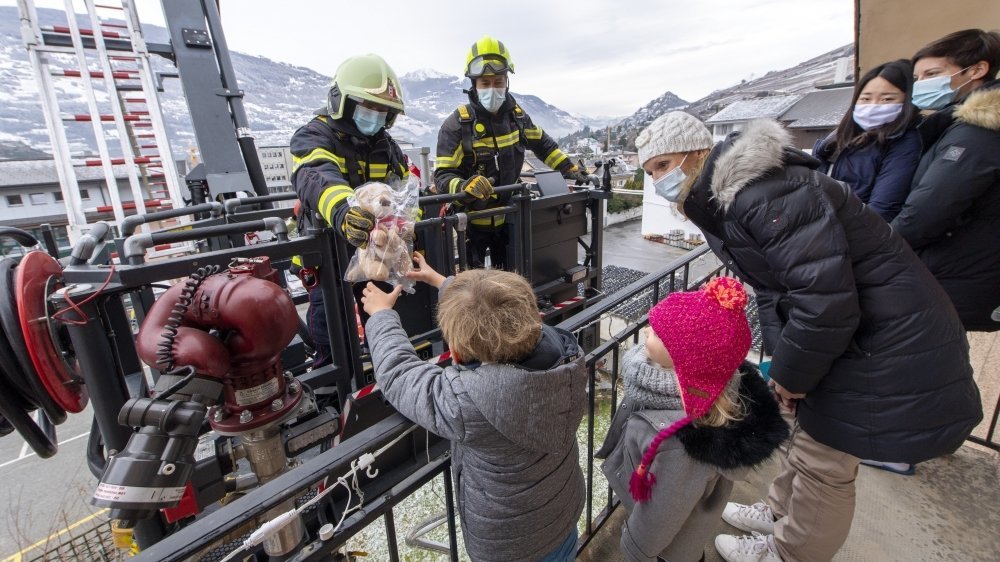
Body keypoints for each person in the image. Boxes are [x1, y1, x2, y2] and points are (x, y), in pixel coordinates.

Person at [634, 111, 981, 562]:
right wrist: (783, 365)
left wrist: (793, 374)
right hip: (857, 332)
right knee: (806, 437)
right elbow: (776, 287)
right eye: (649, 172)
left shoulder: (762, 194)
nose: (659, 178)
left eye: (662, 165)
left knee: (826, 465)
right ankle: (779, 512)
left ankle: (790, 551)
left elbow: (824, 299)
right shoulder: (738, 194)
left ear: (696, 152)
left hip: (878, 341)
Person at [359, 253, 587, 562]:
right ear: (536, 318)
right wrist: (442, 282)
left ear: (455, 351)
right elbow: (497, 308)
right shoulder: (565, 359)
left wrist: (382, 315)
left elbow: (400, 375)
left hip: (509, 546)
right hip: (561, 514)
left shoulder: (468, 402)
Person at [596, 277, 788, 562]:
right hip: (684, 528)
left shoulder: (682, 444)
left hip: (668, 548)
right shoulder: (693, 390)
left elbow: (662, 514)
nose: (648, 329)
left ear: (685, 359)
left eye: (659, 333)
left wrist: (636, 548)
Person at [290, 53, 410, 367]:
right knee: (329, 318)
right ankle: (333, 374)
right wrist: (345, 212)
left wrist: (407, 226)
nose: (376, 116)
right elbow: (317, 177)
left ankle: (385, 367)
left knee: (380, 310)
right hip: (327, 250)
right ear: (341, 102)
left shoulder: (386, 145)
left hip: (373, 253)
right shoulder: (313, 136)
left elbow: (406, 189)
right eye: (369, 107)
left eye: (383, 111)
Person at [433, 35, 590, 270]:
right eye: (485, 83)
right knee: (473, 286)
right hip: (472, 222)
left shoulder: (516, 116)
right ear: (474, 84)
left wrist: (570, 168)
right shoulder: (457, 125)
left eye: (498, 82)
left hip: (510, 217)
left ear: (507, 82)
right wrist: (465, 186)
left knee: (510, 280)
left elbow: (542, 144)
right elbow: (442, 176)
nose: (492, 89)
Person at [890, 29, 1000, 332]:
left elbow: (927, 211)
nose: (922, 84)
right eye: (919, 76)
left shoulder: (977, 133)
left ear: (977, 70)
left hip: (961, 280)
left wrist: (875, 249)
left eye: (933, 73)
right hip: (967, 274)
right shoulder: (959, 127)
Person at [812, 59, 922, 222]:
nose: (874, 106)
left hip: (851, 234)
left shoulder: (904, 142)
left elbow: (883, 207)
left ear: (907, 101)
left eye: (887, 99)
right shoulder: (839, 137)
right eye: (866, 98)